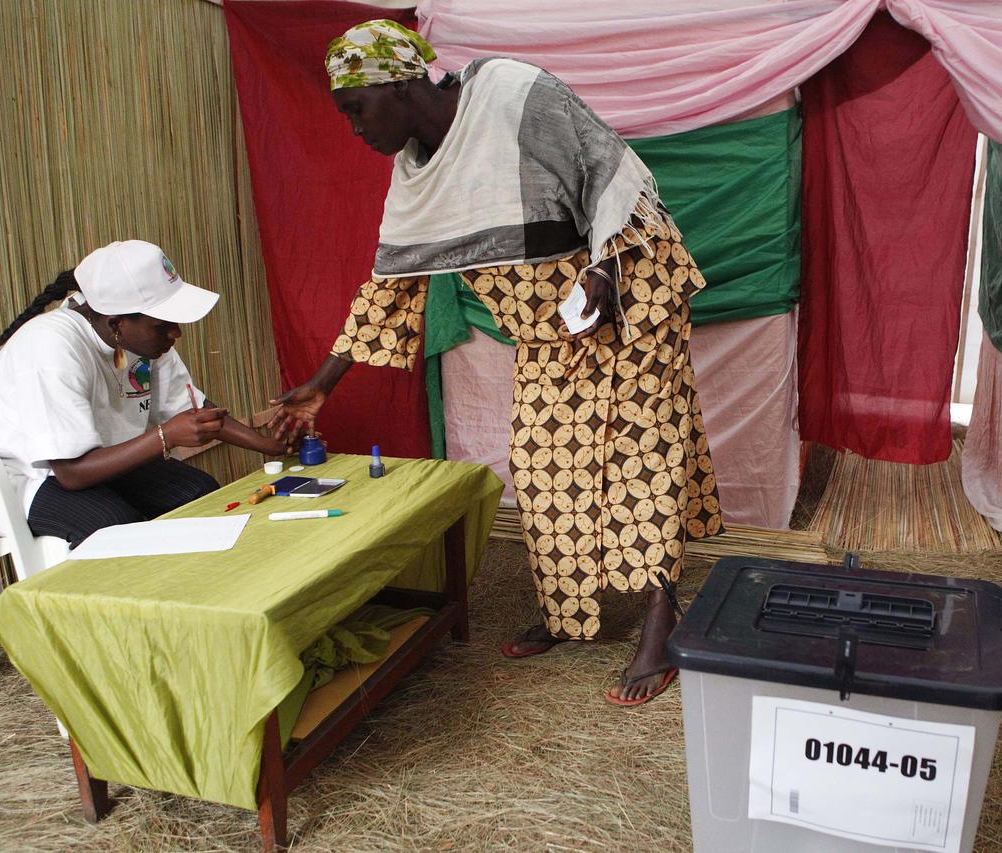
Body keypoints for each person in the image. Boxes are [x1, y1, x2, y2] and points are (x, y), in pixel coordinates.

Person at [271, 21, 721, 706]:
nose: (354, 129)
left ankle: (661, 619)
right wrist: (318, 387)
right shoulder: (415, 175)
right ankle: (570, 610)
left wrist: (603, 271)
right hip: (547, 331)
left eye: (356, 109)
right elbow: (389, 289)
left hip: (631, 300)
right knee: (542, 467)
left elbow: (612, 173)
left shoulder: (511, 92)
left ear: (396, 83)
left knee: (642, 458)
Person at [0, 240, 287, 546]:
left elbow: (196, 411)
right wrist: (166, 435)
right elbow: (71, 473)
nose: (176, 333)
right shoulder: (51, 346)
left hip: (101, 458)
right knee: (116, 527)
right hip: (23, 476)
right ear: (116, 324)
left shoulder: (143, 339)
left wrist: (270, 445)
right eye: (163, 324)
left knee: (199, 493)